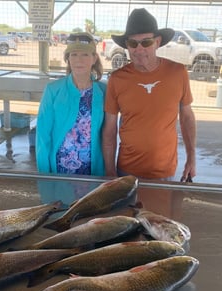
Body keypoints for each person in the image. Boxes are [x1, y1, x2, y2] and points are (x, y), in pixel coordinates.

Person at [102, 8, 196, 181]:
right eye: (133, 43)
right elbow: (109, 129)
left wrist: (191, 157)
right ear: (127, 46)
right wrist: (109, 171)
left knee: (160, 209)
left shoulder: (178, 72)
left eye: (146, 42)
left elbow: (187, 117)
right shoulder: (117, 79)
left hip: (165, 171)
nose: (139, 49)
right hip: (126, 171)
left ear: (157, 42)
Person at [36, 32, 106, 176]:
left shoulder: (104, 91)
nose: (78, 60)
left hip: (93, 170)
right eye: (73, 54)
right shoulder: (53, 90)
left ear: (94, 58)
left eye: (85, 55)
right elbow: (43, 135)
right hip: (60, 168)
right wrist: (44, 175)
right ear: (67, 59)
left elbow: (108, 134)